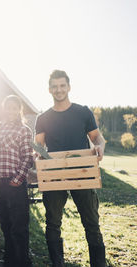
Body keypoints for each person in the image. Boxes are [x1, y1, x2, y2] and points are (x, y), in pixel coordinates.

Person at [35, 70, 106, 267]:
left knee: (91, 222)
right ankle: (58, 263)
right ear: (49, 89)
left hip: (83, 173)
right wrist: (38, 155)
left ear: (69, 87)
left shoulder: (83, 112)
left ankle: (99, 264)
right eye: (55, 86)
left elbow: (97, 138)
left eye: (62, 85)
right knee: (53, 224)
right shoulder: (43, 118)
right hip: (54, 176)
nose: (59, 90)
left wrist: (99, 146)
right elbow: (39, 147)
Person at [0, 95, 34, 267]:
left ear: (19, 110)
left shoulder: (24, 130)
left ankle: (22, 261)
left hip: (15, 184)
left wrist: (17, 179)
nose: (11, 111)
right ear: (4, 108)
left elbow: (27, 158)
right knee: (5, 224)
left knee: (19, 226)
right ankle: (9, 260)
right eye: (8, 107)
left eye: (14, 108)